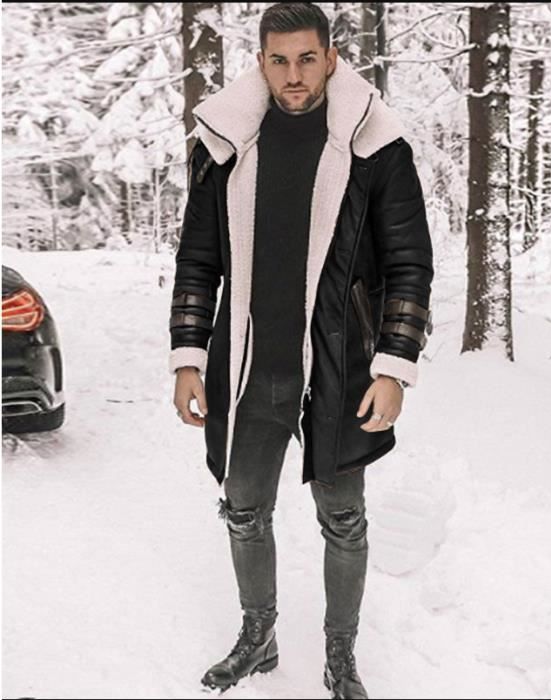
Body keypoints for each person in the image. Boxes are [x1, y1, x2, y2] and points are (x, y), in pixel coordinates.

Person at [168, 4, 433, 698]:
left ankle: (340, 656)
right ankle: (259, 637)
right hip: (250, 367)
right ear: (261, 61)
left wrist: (394, 366)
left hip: (340, 368)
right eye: (279, 60)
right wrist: (188, 355)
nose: (294, 75)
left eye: (307, 59)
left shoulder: (376, 145)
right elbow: (198, 260)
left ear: (331, 57)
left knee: (343, 520)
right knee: (243, 509)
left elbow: (410, 265)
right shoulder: (225, 144)